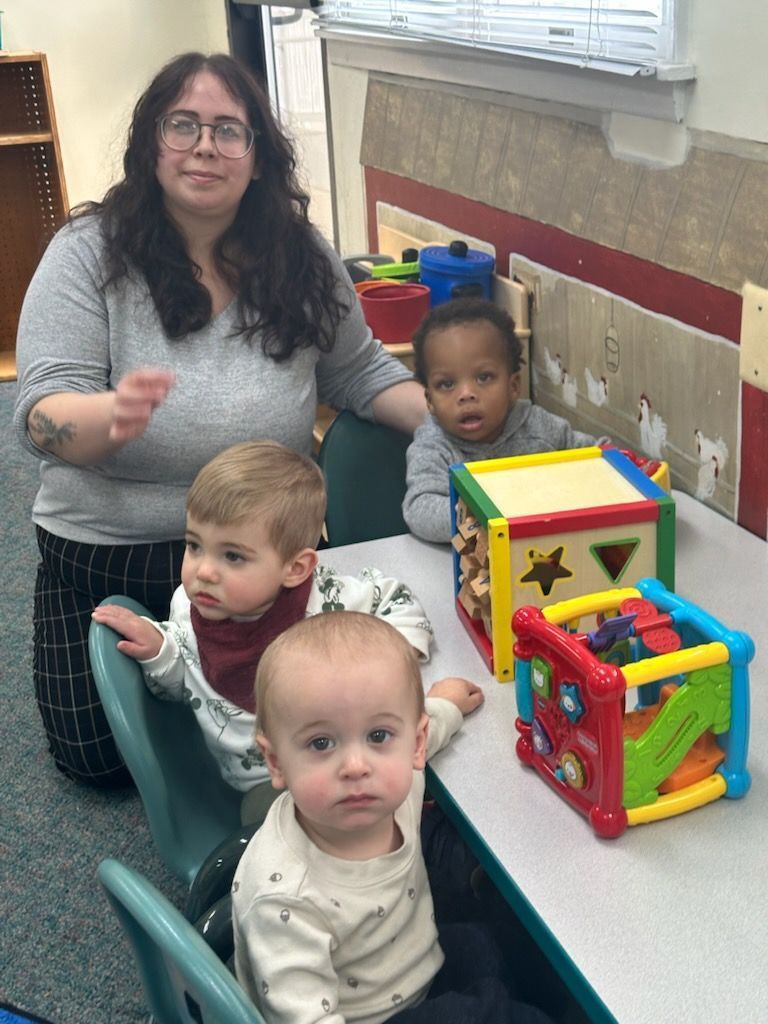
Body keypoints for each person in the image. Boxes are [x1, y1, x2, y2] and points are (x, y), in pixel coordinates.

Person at [13, 51, 426, 787]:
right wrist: (105, 418)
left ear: (259, 156)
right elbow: (41, 412)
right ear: (151, 143)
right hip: (115, 550)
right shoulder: (84, 254)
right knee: (98, 763)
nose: (205, 146)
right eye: (183, 125)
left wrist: (451, 429)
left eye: (229, 130)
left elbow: (358, 371)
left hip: (266, 552)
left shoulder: (300, 255)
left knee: (323, 722)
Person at [232, 612, 553, 1024]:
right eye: (321, 742)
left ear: (413, 745)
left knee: (490, 945)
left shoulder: (391, 785)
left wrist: (445, 705)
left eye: (378, 736)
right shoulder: (285, 900)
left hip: (410, 968)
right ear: (276, 763)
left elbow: (427, 726)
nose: (355, 766)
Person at [90, 441, 434, 823]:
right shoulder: (186, 609)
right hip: (260, 782)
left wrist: (391, 664)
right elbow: (186, 684)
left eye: (232, 556)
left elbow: (394, 599)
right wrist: (160, 651)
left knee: (417, 774)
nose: (203, 571)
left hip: (343, 760)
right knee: (286, 823)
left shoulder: (326, 600)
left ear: (295, 569)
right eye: (194, 545)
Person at [402, 298, 606, 544]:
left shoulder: (538, 427)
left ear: (513, 386)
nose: (466, 394)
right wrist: (490, 513)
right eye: (446, 384)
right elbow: (419, 509)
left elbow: (595, 457)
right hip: (470, 568)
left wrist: (619, 461)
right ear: (430, 400)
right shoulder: (434, 447)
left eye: (484, 377)